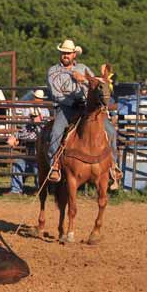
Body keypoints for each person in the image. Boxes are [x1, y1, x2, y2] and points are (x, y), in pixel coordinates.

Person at [46, 39, 121, 186]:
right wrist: (71, 101)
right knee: (56, 132)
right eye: (63, 53)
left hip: (87, 107)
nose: (65, 55)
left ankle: (113, 164)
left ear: (74, 54)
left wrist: (84, 80)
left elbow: (96, 85)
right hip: (66, 107)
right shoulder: (53, 71)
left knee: (110, 131)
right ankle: (54, 164)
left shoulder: (83, 69)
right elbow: (55, 94)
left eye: (68, 53)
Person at [5, 89, 48, 195]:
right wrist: (15, 136)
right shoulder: (27, 109)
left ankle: (40, 189)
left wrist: (39, 123)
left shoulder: (45, 111)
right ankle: (16, 190)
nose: (38, 100)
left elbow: (45, 128)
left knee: (38, 166)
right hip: (28, 144)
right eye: (37, 98)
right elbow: (23, 127)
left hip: (39, 144)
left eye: (40, 99)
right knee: (18, 164)